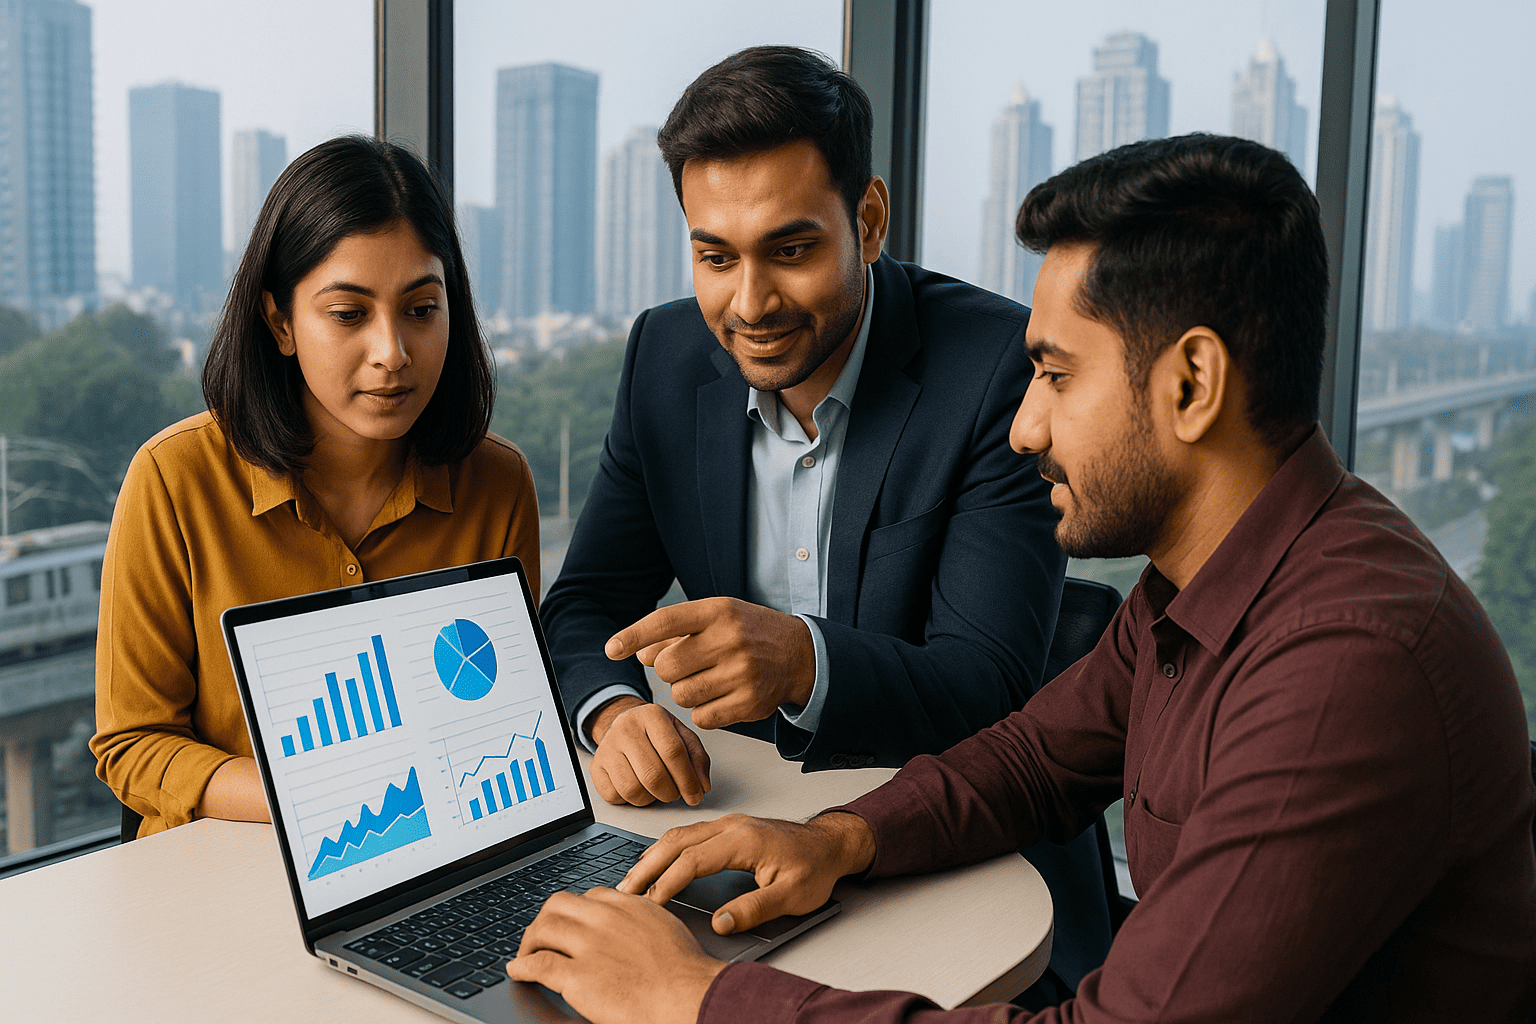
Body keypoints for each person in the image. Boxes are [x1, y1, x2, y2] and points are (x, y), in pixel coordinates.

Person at [507, 134, 1536, 1023]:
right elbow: (1036, 760)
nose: (1025, 427)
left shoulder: (1346, 664)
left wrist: (698, 999)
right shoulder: (1206, 582)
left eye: (1055, 375)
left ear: (1192, 383)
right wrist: (837, 841)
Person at [539, 45, 1109, 992]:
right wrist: (615, 713)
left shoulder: (995, 369)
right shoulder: (663, 357)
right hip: (737, 843)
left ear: (868, 221)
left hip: (961, 870)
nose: (749, 303)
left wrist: (803, 661)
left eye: (792, 250)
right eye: (715, 257)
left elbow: (991, 688)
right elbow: (585, 602)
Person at [91, 136, 541, 837]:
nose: (392, 353)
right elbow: (134, 745)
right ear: (281, 322)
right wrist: (327, 801)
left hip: (438, 858)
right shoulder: (174, 479)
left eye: (422, 309)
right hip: (219, 870)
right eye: (349, 314)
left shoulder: (498, 484)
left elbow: (504, 723)